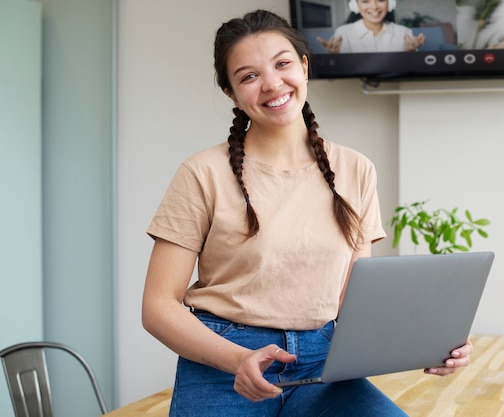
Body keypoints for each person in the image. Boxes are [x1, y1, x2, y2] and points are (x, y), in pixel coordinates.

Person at [142, 9, 473, 417]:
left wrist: (432, 342)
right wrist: (235, 360)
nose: (271, 84)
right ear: (231, 93)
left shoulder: (356, 169)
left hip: (322, 363)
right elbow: (157, 306)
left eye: (282, 64)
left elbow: (354, 302)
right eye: (248, 76)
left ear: (303, 66)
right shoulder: (201, 173)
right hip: (224, 362)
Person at [318, 0, 426, 53]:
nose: (374, 7)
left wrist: (410, 53)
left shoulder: (404, 33)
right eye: (365, 1)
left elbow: (412, 71)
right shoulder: (344, 33)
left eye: (380, 0)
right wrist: (334, 58)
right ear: (355, 6)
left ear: (390, 3)